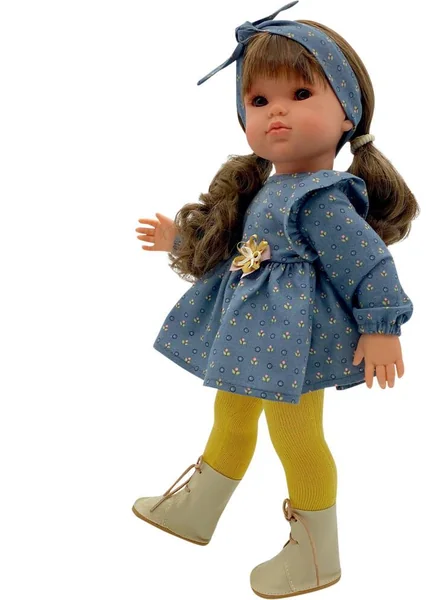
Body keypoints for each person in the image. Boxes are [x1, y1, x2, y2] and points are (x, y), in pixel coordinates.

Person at [132, 2, 419, 596]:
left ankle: (315, 552)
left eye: (300, 93)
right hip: (250, 333)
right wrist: (180, 240)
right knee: (231, 414)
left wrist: (382, 326)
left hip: (295, 342)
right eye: (259, 100)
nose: (277, 111)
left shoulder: (324, 197)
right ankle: (199, 507)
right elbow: (235, 246)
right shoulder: (269, 187)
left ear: (348, 114)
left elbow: (368, 262)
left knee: (296, 434)